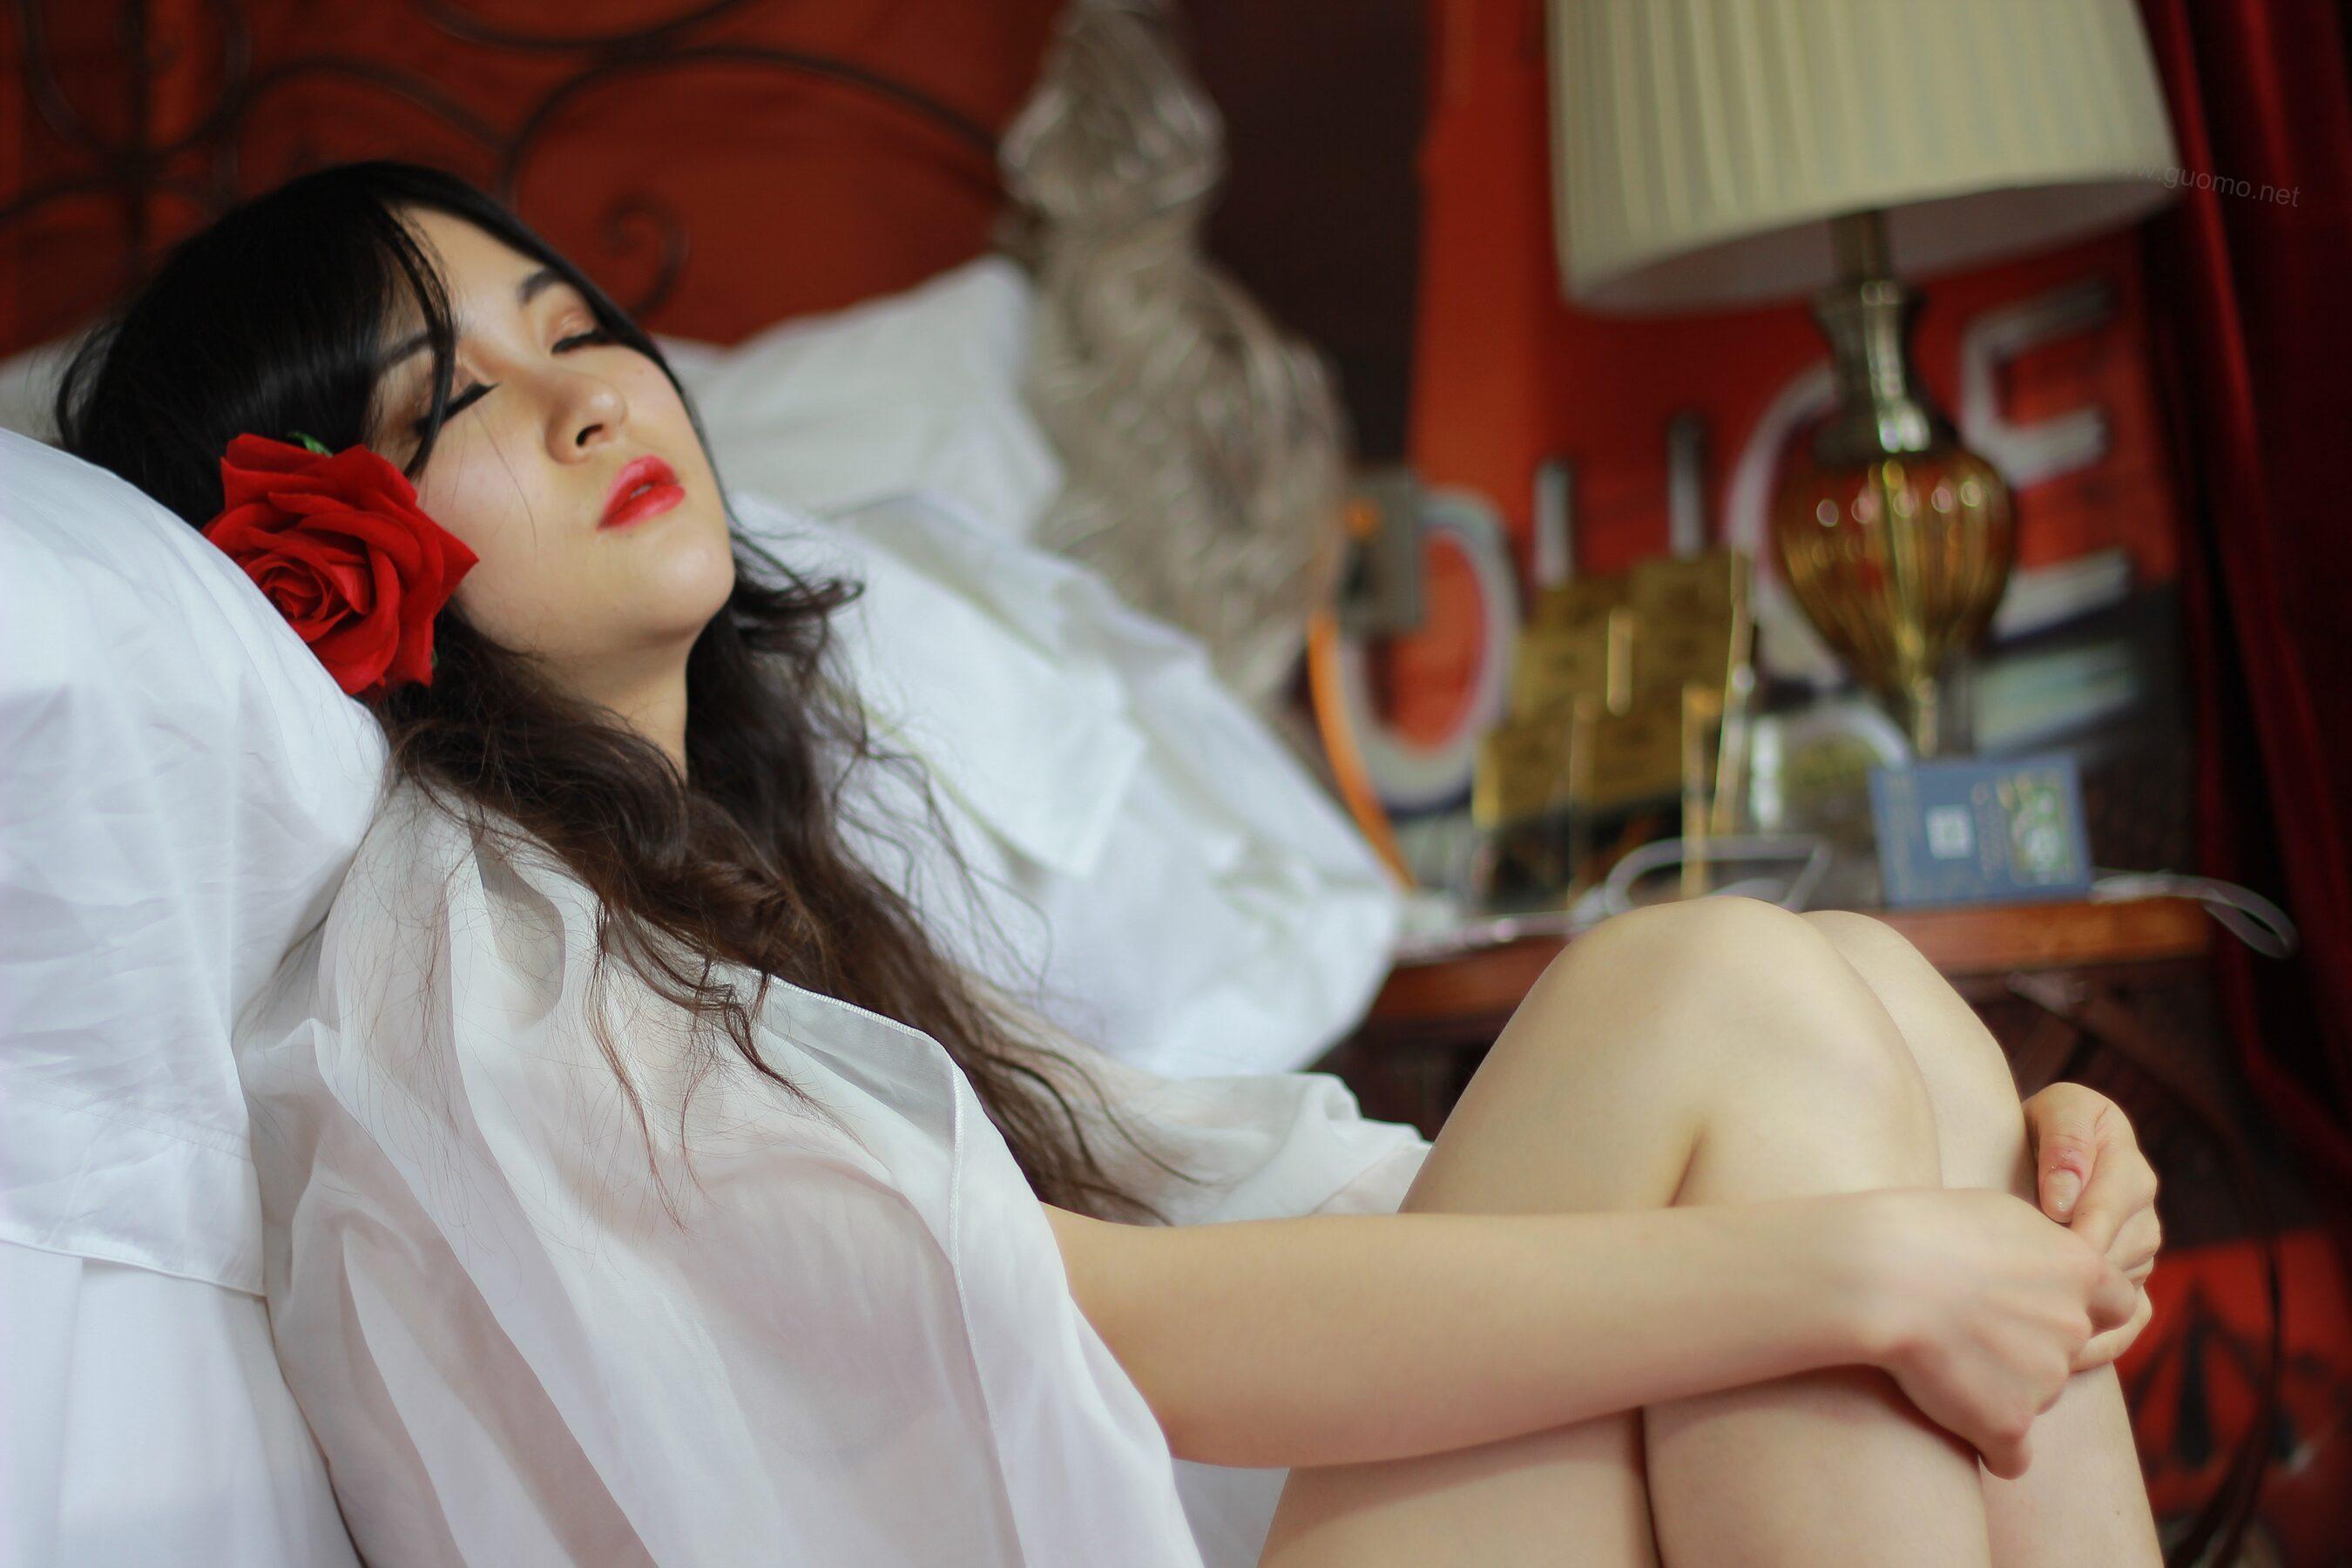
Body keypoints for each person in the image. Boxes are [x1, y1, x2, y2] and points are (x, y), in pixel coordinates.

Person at [53, 160, 2164, 1567]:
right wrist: (1862, 1263)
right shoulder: (477, 962)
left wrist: (1956, 1169)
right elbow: (1128, 1326)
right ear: (317, 565)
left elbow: (1242, 1192)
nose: (588, 400)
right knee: (1707, 993)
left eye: (571, 322)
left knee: (1857, 996)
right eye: (446, 404)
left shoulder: (730, 894)